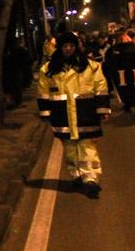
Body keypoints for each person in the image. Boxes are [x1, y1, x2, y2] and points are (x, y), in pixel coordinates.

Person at [37, 32, 111, 198]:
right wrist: (45, 113)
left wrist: (103, 109)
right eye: (65, 46)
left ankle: (91, 179)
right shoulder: (48, 69)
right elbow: (43, 91)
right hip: (62, 114)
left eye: (71, 45)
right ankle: (77, 175)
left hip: (86, 113)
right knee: (70, 148)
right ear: (60, 48)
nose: (68, 49)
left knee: (87, 147)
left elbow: (101, 87)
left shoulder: (91, 66)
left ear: (76, 46)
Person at [3, 37, 34, 108]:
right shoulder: (21, 50)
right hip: (17, 70)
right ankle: (17, 102)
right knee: (17, 87)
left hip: (8, 71)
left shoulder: (7, 50)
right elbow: (29, 60)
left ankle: (10, 101)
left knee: (9, 87)